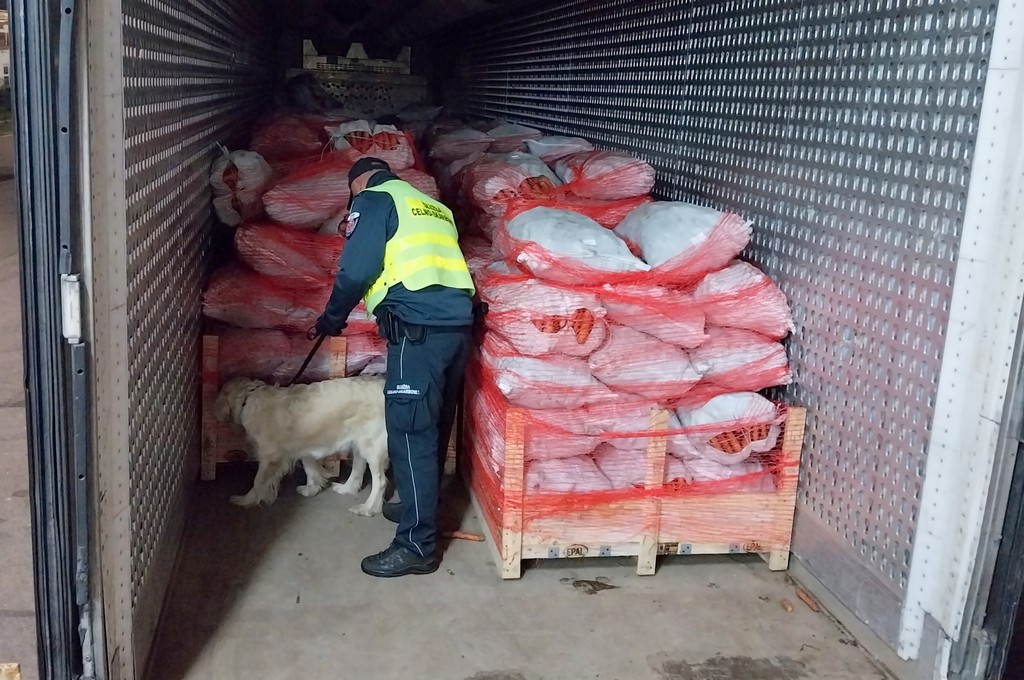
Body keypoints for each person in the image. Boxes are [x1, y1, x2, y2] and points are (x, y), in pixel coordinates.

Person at [314, 156, 476, 578]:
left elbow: (356, 270)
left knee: (408, 432)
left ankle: (415, 546)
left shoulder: (373, 199)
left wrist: (332, 318)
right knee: (432, 426)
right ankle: (416, 505)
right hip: (457, 329)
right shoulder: (432, 207)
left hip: (416, 333)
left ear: (357, 183)